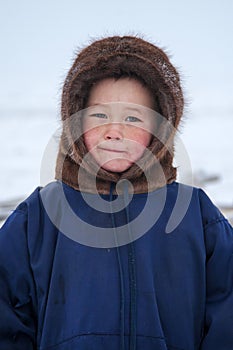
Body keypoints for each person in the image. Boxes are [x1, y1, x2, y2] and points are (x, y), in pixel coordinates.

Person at [0, 35, 232, 350]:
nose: (114, 130)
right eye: (99, 115)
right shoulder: (41, 213)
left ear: (159, 131)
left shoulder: (195, 214)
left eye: (133, 118)